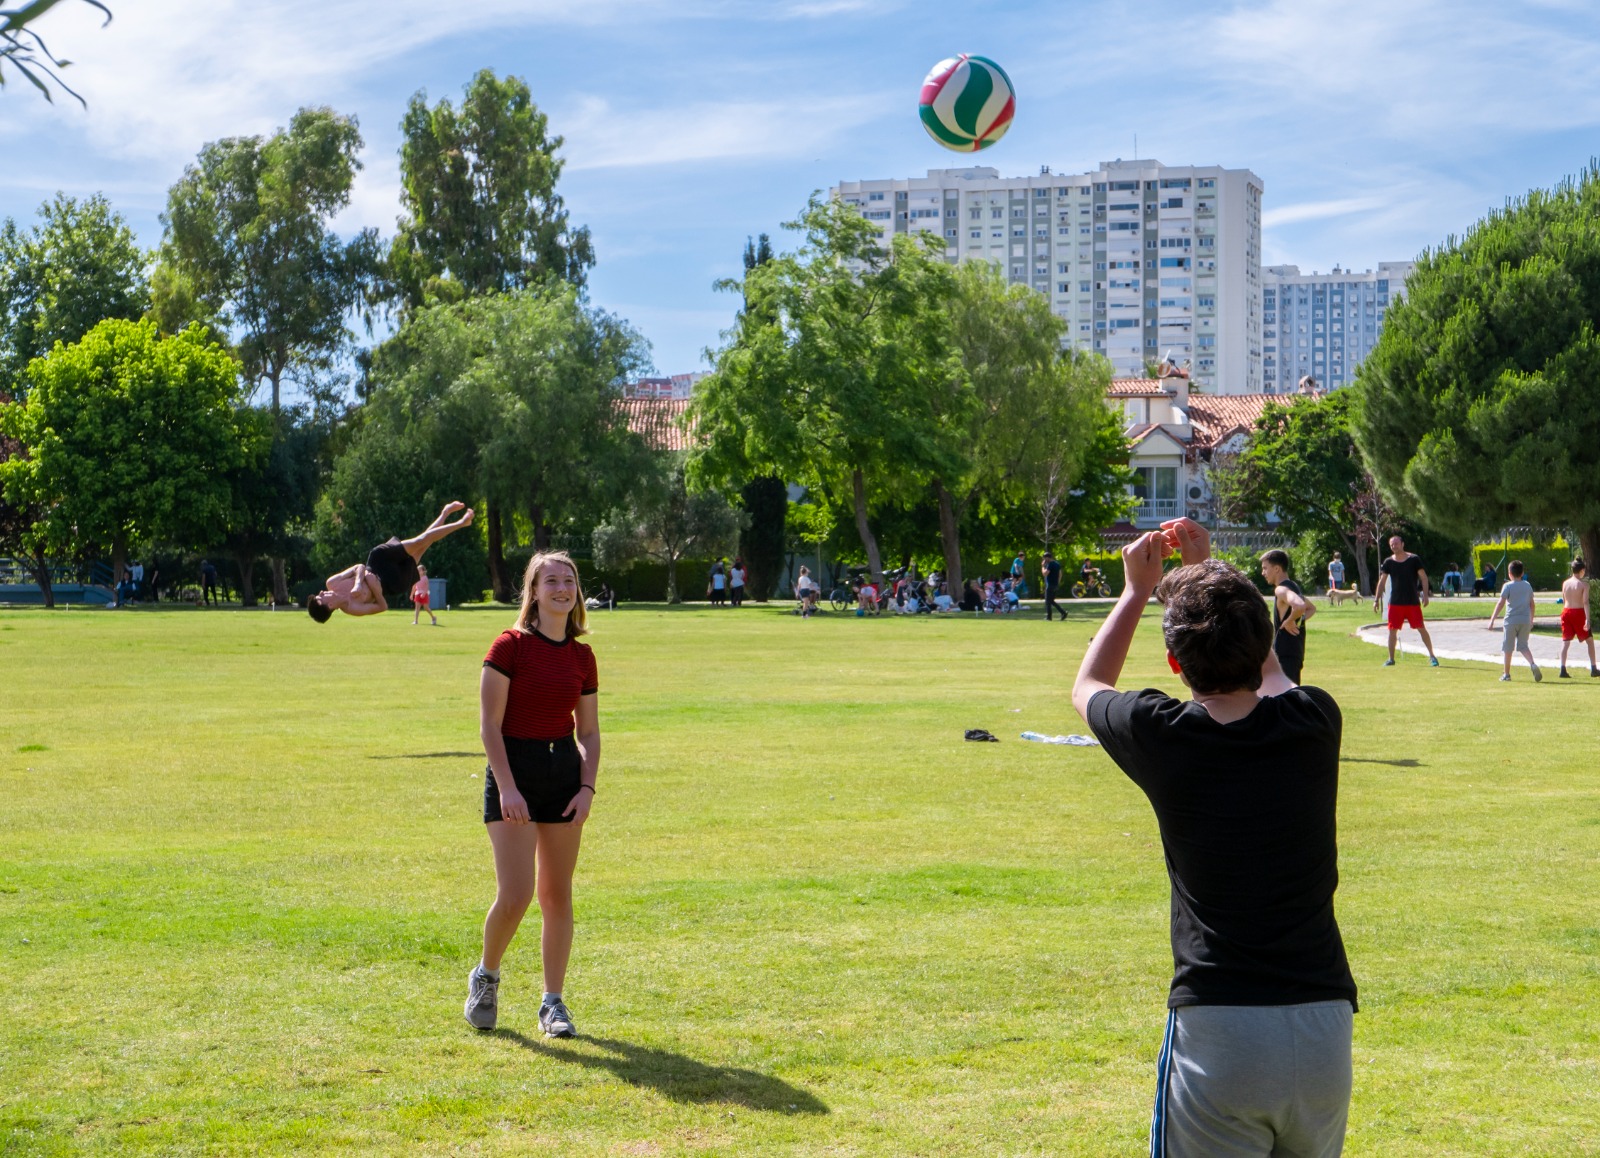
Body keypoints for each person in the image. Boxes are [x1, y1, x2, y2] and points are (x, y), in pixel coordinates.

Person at [1073, 517, 1357, 1158]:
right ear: (1264, 637)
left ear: (1174, 663)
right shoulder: (1315, 720)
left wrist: (1137, 591)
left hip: (1221, 1027)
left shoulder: (1163, 733)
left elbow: (1088, 687)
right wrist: (1217, 576)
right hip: (1324, 1029)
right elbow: (1273, 673)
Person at [465, 551, 599, 1039]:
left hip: (562, 772)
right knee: (517, 893)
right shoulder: (509, 646)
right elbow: (489, 726)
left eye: (569, 581)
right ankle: (486, 976)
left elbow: (588, 730)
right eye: (552, 581)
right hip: (514, 770)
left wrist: (586, 787)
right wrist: (507, 788)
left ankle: (553, 1003)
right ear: (534, 592)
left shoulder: (582, 656)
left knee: (556, 895)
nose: (562, 588)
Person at [307, 502, 474, 622]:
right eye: (320, 597)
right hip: (392, 581)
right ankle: (445, 514)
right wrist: (375, 590)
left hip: (378, 561)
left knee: (420, 540)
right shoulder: (352, 608)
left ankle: (460, 523)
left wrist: (359, 583)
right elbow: (382, 606)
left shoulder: (332, 582)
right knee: (425, 545)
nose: (321, 592)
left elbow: (359, 567)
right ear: (328, 605)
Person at [1373, 535, 1438, 667]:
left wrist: (1425, 595)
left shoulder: (1414, 559)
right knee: (1392, 631)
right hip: (1395, 602)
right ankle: (1391, 659)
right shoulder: (1388, 562)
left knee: (1421, 628)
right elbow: (1382, 582)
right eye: (1391, 544)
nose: (1394, 546)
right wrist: (1376, 600)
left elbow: (1424, 578)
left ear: (1402, 544)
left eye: (1396, 543)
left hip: (1412, 602)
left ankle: (1432, 656)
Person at [1261, 549, 1316, 685]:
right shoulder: (1294, 587)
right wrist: (1296, 620)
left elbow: (1300, 606)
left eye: (1265, 568)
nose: (1263, 573)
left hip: (1285, 655)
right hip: (1295, 652)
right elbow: (1311, 608)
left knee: (1286, 699)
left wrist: (1289, 620)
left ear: (1277, 569)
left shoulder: (1281, 589)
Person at [1487, 559, 1541, 682]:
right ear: (1522, 573)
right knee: (1523, 646)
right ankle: (1532, 663)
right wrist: (1531, 619)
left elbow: (1500, 603)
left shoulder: (1507, 586)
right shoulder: (1527, 585)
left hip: (1511, 620)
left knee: (1508, 648)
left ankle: (1506, 674)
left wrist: (1492, 619)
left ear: (1510, 573)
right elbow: (1532, 604)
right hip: (1525, 620)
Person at [1558, 559, 1598, 678]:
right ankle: (1593, 668)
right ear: (1581, 570)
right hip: (1578, 612)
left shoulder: (1565, 583)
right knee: (1590, 641)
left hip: (1566, 611)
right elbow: (1585, 602)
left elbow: (1564, 599)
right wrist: (1588, 619)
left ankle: (1562, 669)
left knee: (1565, 642)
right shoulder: (1583, 585)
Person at [1042, 551, 1065, 622]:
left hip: (1050, 585)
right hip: (1055, 584)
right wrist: (1057, 583)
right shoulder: (1057, 564)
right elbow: (1060, 574)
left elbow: (1045, 574)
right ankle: (1063, 613)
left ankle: (1049, 617)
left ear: (1048, 558)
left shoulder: (1050, 564)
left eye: (1045, 558)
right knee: (1051, 601)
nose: (1045, 560)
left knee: (1047, 601)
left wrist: (1042, 566)